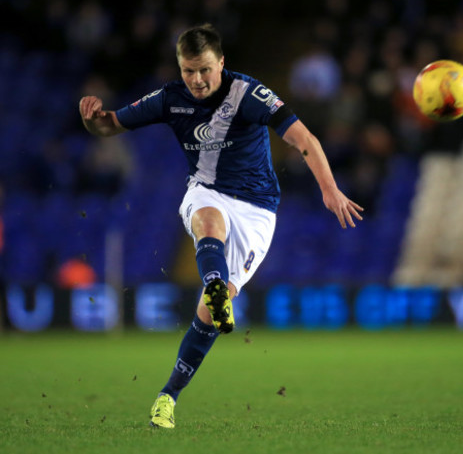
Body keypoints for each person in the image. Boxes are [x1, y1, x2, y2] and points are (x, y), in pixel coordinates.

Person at [78, 23, 363, 429]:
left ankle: (168, 392)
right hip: (207, 191)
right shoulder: (169, 98)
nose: (196, 80)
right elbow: (109, 125)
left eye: (205, 70)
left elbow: (304, 140)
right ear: (180, 68)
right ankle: (214, 287)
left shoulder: (248, 94)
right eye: (188, 70)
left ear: (222, 63)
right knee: (207, 220)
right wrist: (92, 119)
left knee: (210, 316)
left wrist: (330, 190)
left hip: (257, 210)